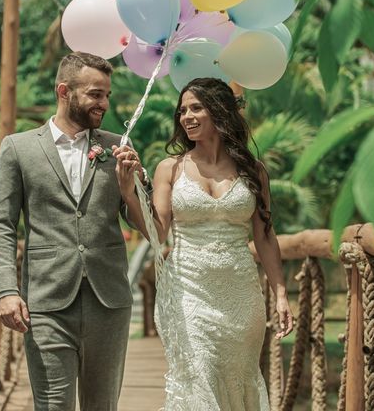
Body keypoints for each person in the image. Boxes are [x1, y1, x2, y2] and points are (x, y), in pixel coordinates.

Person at [116, 77, 294, 410]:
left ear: (220, 111)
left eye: (196, 107)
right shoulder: (171, 168)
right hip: (188, 293)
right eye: (183, 110)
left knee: (239, 382)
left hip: (241, 296)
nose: (187, 116)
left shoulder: (254, 171)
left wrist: (280, 292)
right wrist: (129, 192)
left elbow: (265, 235)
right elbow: (156, 229)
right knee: (198, 378)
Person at [0, 51, 146, 411]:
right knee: (52, 405)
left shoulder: (117, 148)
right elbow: (1, 226)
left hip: (109, 300)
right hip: (46, 302)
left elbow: (145, 225)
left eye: (106, 94)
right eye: (95, 94)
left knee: (101, 406)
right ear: (65, 91)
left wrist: (131, 188)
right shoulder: (17, 149)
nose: (104, 103)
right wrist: (6, 291)